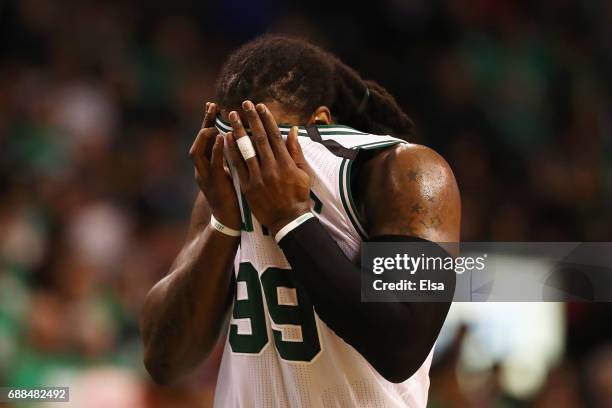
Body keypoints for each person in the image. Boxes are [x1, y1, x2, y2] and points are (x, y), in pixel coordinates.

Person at [141, 35, 461, 407]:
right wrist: (224, 225)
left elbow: (401, 347)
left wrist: (290, 220)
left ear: (319, 123)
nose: (251, 158)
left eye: (266, 138)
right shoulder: (223, 192)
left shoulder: (407, 174)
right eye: (237, 139)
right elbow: (164, 361)